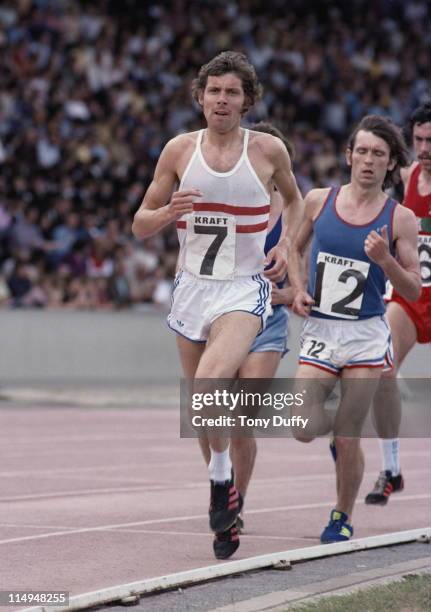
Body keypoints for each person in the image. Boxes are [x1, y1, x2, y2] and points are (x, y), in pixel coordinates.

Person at [132, 52, 303, 559]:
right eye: (214, 91)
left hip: (242, 288)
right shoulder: (179, 151)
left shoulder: (268, 150)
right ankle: (225, 497)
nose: (222, 100)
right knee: (201, 406)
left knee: (211, 386)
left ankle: (221, 484)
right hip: (192, 288)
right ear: (200, 96)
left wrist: (285, 243)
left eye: (232, 92)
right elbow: (139, 222)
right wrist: (168, 212)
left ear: (246, 100)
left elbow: (294, 202)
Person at [288, 115, 421, 543]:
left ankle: (341, 515)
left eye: (378, 154)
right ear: (348, 156)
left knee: (348, 434)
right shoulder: (318, 200)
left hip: (365, 335)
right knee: (302, 426)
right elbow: (291, 247)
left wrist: (385, 261)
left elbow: (415, 289)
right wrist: (296, 288)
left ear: (390, 164)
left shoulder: (399, 219)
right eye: (361, 151)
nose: (367, 161)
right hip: (323, 332)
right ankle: (341, 443)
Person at [198, 122, 296, 542]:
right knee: (209, 411)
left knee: (241, 421)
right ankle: (220, 488)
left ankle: (237, 501)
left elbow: (298, 288)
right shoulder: (229, 204)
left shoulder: (290, 220)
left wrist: (280, 293)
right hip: (222, 319)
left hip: (267, 324)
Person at [366, 102, 431, 505]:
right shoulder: (407, 176)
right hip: (412, 294)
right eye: (419, 139)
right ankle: (390, 469)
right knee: (380, 367)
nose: (425, 147)